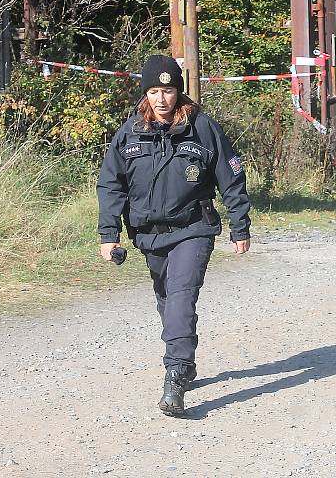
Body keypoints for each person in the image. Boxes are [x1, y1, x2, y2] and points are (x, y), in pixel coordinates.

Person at [97, 54, 252, 416]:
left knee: (181, 298)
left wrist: (239, 226)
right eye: (154, 91)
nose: (161, 99)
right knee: (168, 300)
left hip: (193, 229)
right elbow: (111, 184)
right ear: (145, 95)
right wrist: (109, 234)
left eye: (167, 91)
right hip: (149, 234)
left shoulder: (204, 128)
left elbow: (232, 177)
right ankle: (186, 357)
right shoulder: (130, 132)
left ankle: (176, 376)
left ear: (178, 92)